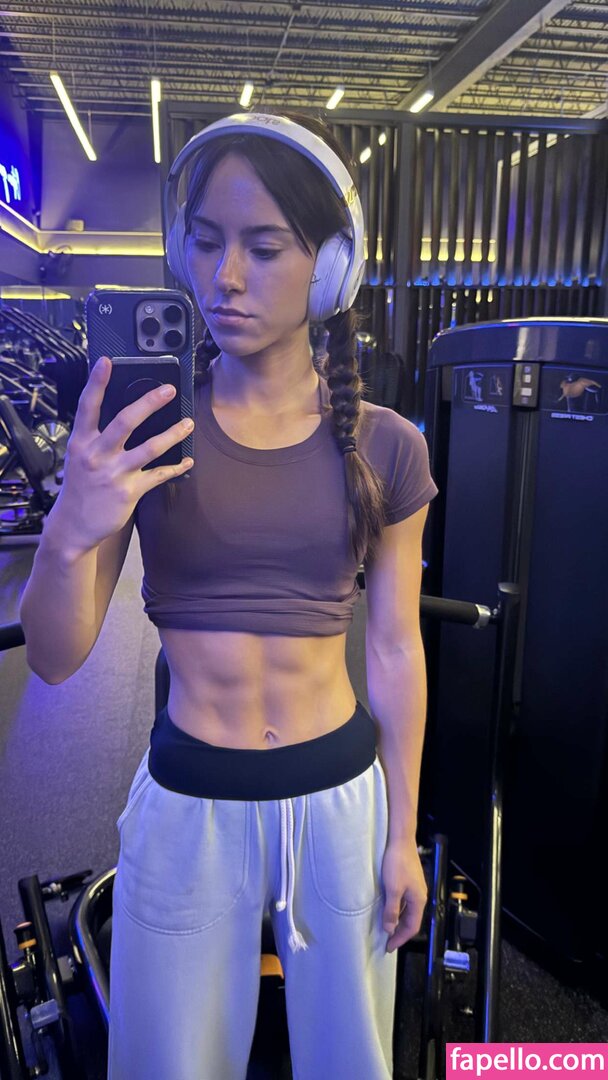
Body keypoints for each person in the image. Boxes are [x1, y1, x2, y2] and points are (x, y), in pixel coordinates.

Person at [19, 110, 439, 1080]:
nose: (226, 276)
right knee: (167, 1064)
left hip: (340, 807)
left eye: (264, 246)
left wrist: (402, 836)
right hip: (187, 807)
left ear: (329, 268)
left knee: (350, 1063)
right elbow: (53, 656)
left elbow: (393, 648)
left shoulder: (386, 445)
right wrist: (73, 522)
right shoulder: (144, 437)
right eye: (206, 243)